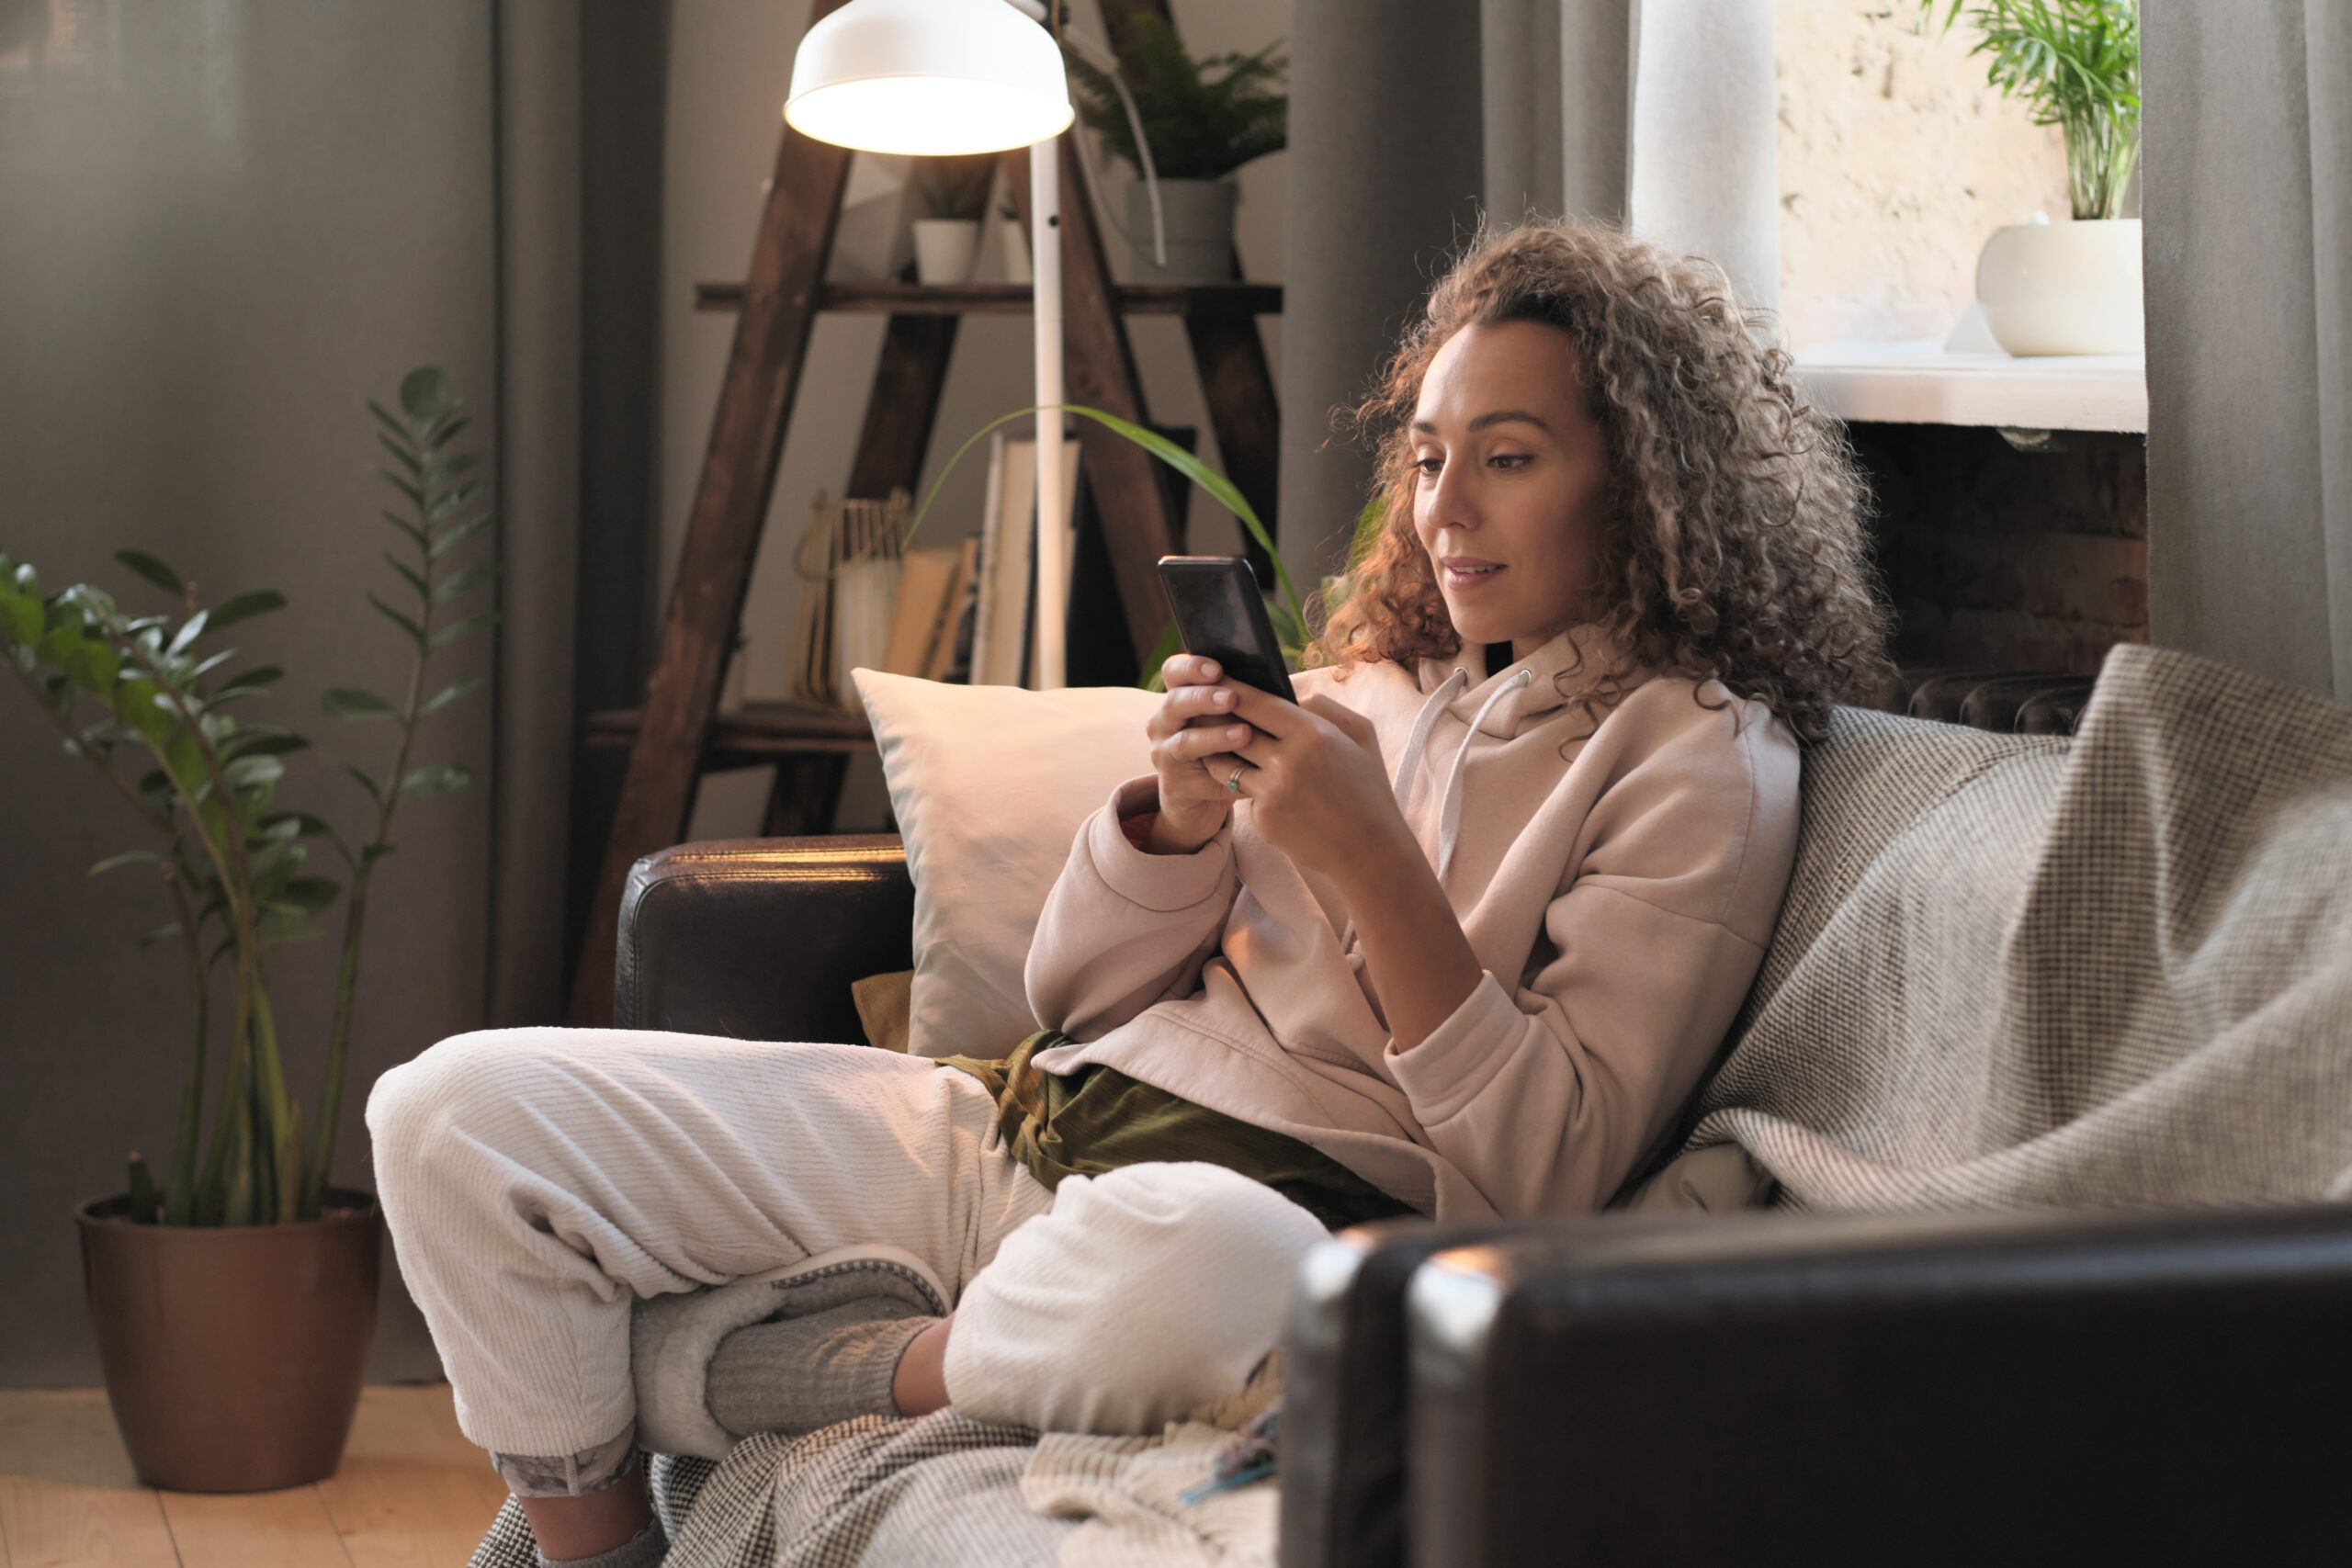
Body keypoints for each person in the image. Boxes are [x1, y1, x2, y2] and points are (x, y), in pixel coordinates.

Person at [368, 218, 1889, 1568]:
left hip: (1260, 1224)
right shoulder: (1377, 682)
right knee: (445, 1114)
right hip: (1012, 1134)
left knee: (1217, 1263)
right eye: (1426, 456)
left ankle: (766, 1372)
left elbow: (1546, 1172)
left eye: (1507, 456)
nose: (1443, 510)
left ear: (1642, 480)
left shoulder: (1695, 763)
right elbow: (1070, 1002)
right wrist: (1168, 829)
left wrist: (1371, 862)